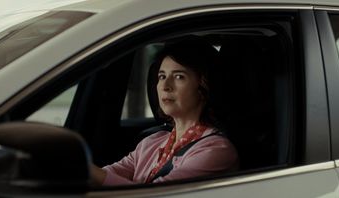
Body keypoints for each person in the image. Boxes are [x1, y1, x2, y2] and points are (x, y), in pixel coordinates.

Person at [91, 36, 239, 186]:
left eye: (179, 77)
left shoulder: (216, 150)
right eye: (162, 76)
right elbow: (106, 175)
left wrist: (87, 169)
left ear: (204, 85)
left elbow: (154, 195)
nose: (165, 86)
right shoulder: (152, 142)